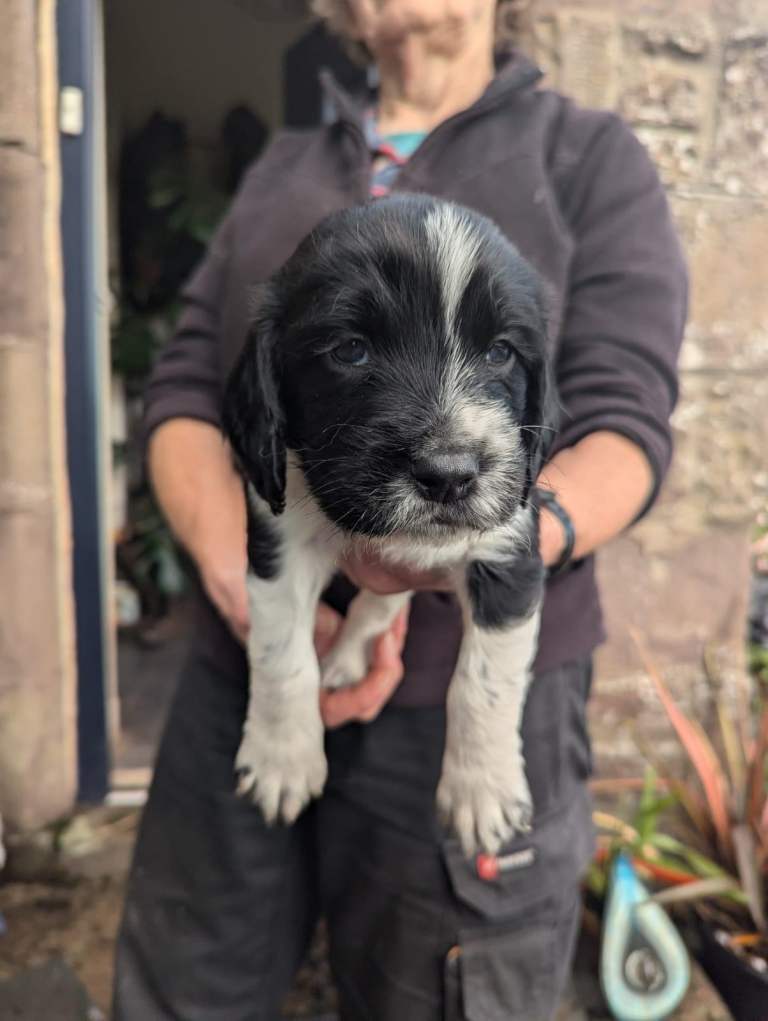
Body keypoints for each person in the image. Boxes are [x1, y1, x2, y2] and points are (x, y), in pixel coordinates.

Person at [112, 2, 687, 1018]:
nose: (447, 435)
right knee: (189, 973)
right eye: (352, 345)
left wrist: (505, 539)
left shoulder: (588, 155)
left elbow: (625, 417)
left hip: (466, 694)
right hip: (249, 658)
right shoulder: (285, 163)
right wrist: (245, 593)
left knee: (437, 988)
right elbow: (192, 389)